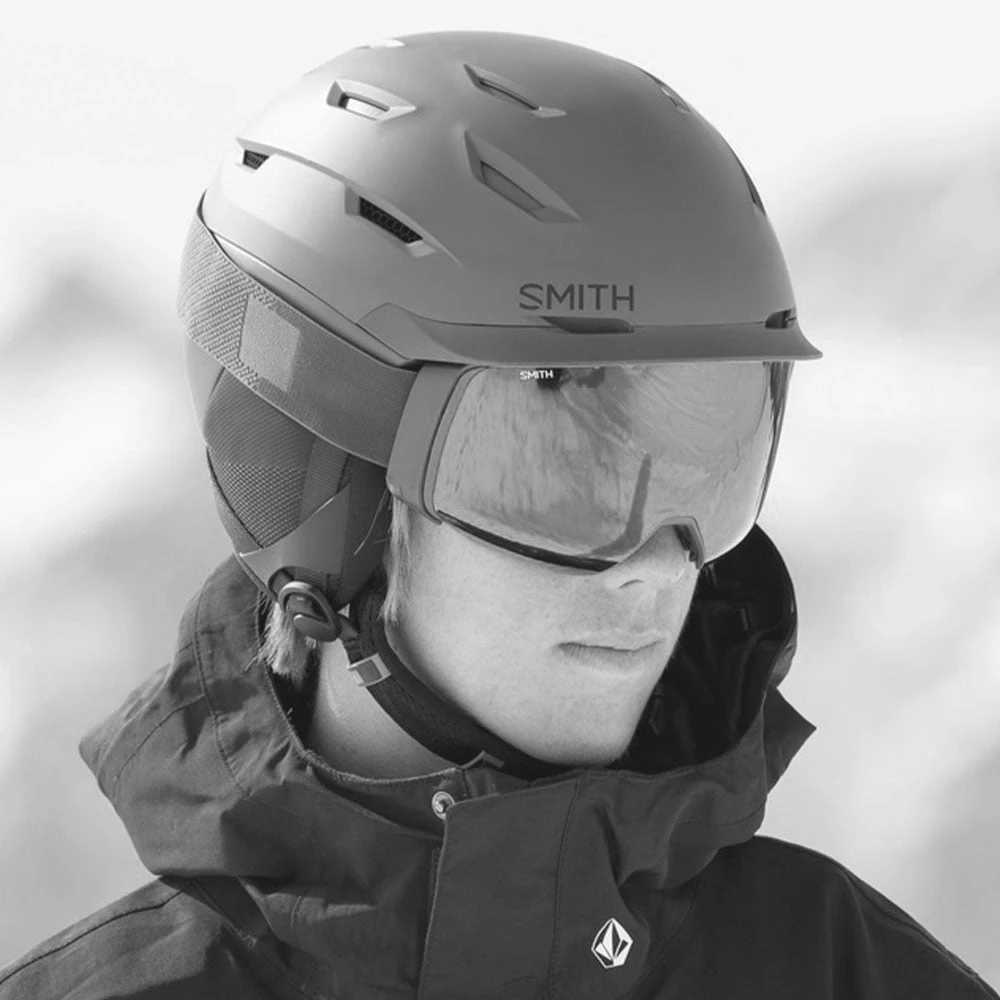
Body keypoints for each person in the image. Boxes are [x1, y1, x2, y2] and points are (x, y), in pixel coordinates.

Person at [0, 29, 995, 1000]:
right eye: (555, 474)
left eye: (707, 473)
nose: (657, 568)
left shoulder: (844, 972)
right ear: (328, 488)